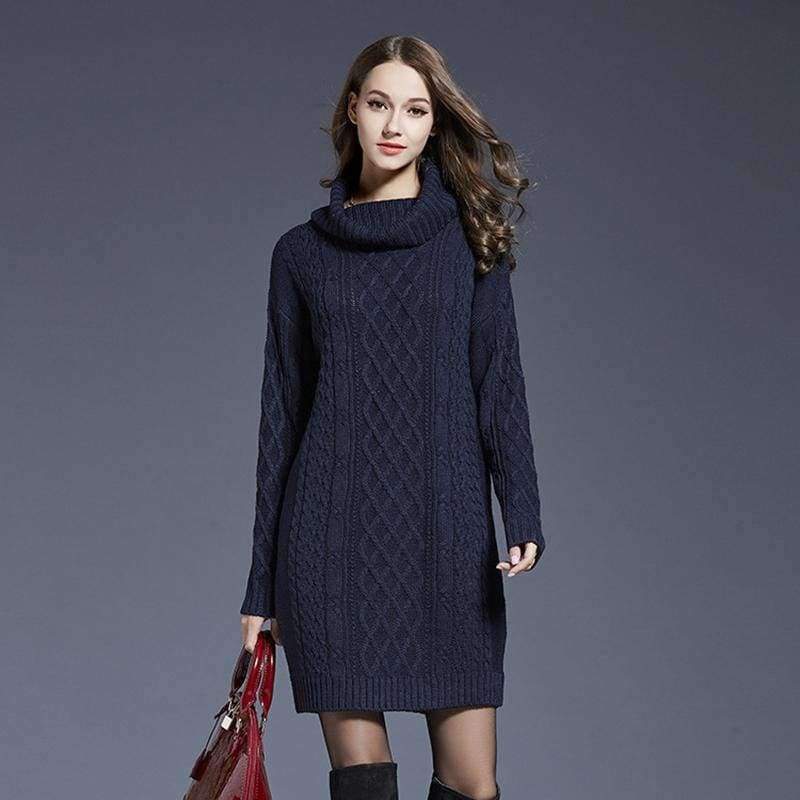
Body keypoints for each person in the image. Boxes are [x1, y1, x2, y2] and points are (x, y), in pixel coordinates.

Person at [239, 35, 547, 800]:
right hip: (329, 541)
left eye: (415, 110)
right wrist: (260, 588)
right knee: (363, 784)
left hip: (448, 536)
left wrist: (523, 512)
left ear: (435, 124)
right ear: (353, 109)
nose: (394, 124)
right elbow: (282, 417)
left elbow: (500, 385)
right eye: (379, 104)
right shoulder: (300, 255)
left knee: (472, 784)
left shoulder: (471, 241)